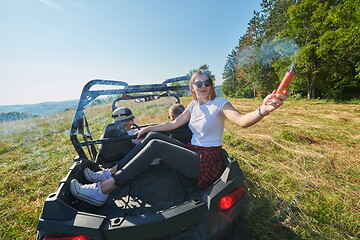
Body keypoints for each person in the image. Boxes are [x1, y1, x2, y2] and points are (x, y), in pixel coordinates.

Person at [70, 69, 288, 206]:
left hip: (207, 161)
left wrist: (263, 110)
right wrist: (147, 129)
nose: (203, 86)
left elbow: (241, 120)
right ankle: (110, 172)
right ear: (192, 88)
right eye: (199, 84)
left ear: (211, 86)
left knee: (155, 145)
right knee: (153, 136)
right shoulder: (193, 106)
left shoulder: (219, 103)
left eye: (207, 83)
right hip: (194, 151)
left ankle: (104, 189)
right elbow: (173, 124)